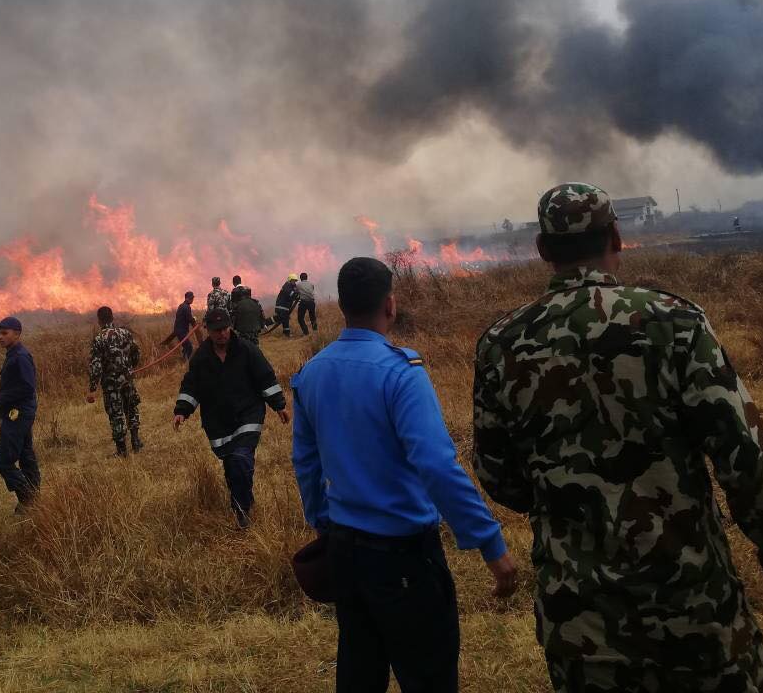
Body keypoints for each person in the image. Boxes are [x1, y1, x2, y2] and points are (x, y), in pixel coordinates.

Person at [474, 183, 763, 693]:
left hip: (580, 626)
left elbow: (499, 478)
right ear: (616, 236)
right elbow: (749, 462)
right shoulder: (674, 322)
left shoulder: (501, 343)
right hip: (691, 610)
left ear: (543, 250)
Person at [292, 257, 516, 693]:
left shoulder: (311, 373)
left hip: (344, 552)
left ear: (341, 305)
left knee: (359, 672)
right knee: (429, 676)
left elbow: (306, 462)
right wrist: (489, 540)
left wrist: (323, 521)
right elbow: (434, 463)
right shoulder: (400, 372)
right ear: (390, 306)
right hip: (403, 559)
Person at [173, 308, 288, 528]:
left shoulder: (247, 350)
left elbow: (265, 377)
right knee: (232, 464)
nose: (221, 334)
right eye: (216, 330)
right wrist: (182, 410)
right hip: (217, 421)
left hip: (248, 413)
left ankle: (242, 512)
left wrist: (279, 405)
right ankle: (242, 500)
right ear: (208, 330)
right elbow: (191, 386)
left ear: (230, 327)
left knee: (240, 458)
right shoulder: (202, 358)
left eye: (225, 328)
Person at [0, 316, 41, 512]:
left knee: (4, 462)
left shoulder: (20, 357)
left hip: (18, 414)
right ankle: (35, 498)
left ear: (17, 334)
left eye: (4, 333)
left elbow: (28, 388)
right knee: (26, 456)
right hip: (18, 411)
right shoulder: (13, 354)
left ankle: (27, 499)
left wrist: (0, 397)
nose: (0, 337)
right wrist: (1, 400)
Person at [88, 306, 144, 455]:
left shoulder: (99, 339)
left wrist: (93, 389)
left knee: (116, 414)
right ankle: (136, 442)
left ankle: (122, 450)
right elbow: (136, 352)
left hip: (111, 384)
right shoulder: (125, 333)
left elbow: (96, 366)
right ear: (112, 317)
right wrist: (130, 368)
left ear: (99, 320)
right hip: (128, 379)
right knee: (131, 408)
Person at [161, 291, 198, 365]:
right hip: (181, 331)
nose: (192, 299)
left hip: (178, 330)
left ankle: (183, 361)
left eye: (192, 298)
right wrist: (195, 319)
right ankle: (185, 363)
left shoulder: (181, 305)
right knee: (189, 347)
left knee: (185, 347)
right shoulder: (186, 307)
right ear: (188, 298)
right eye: (191, 298)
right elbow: (190, 319)